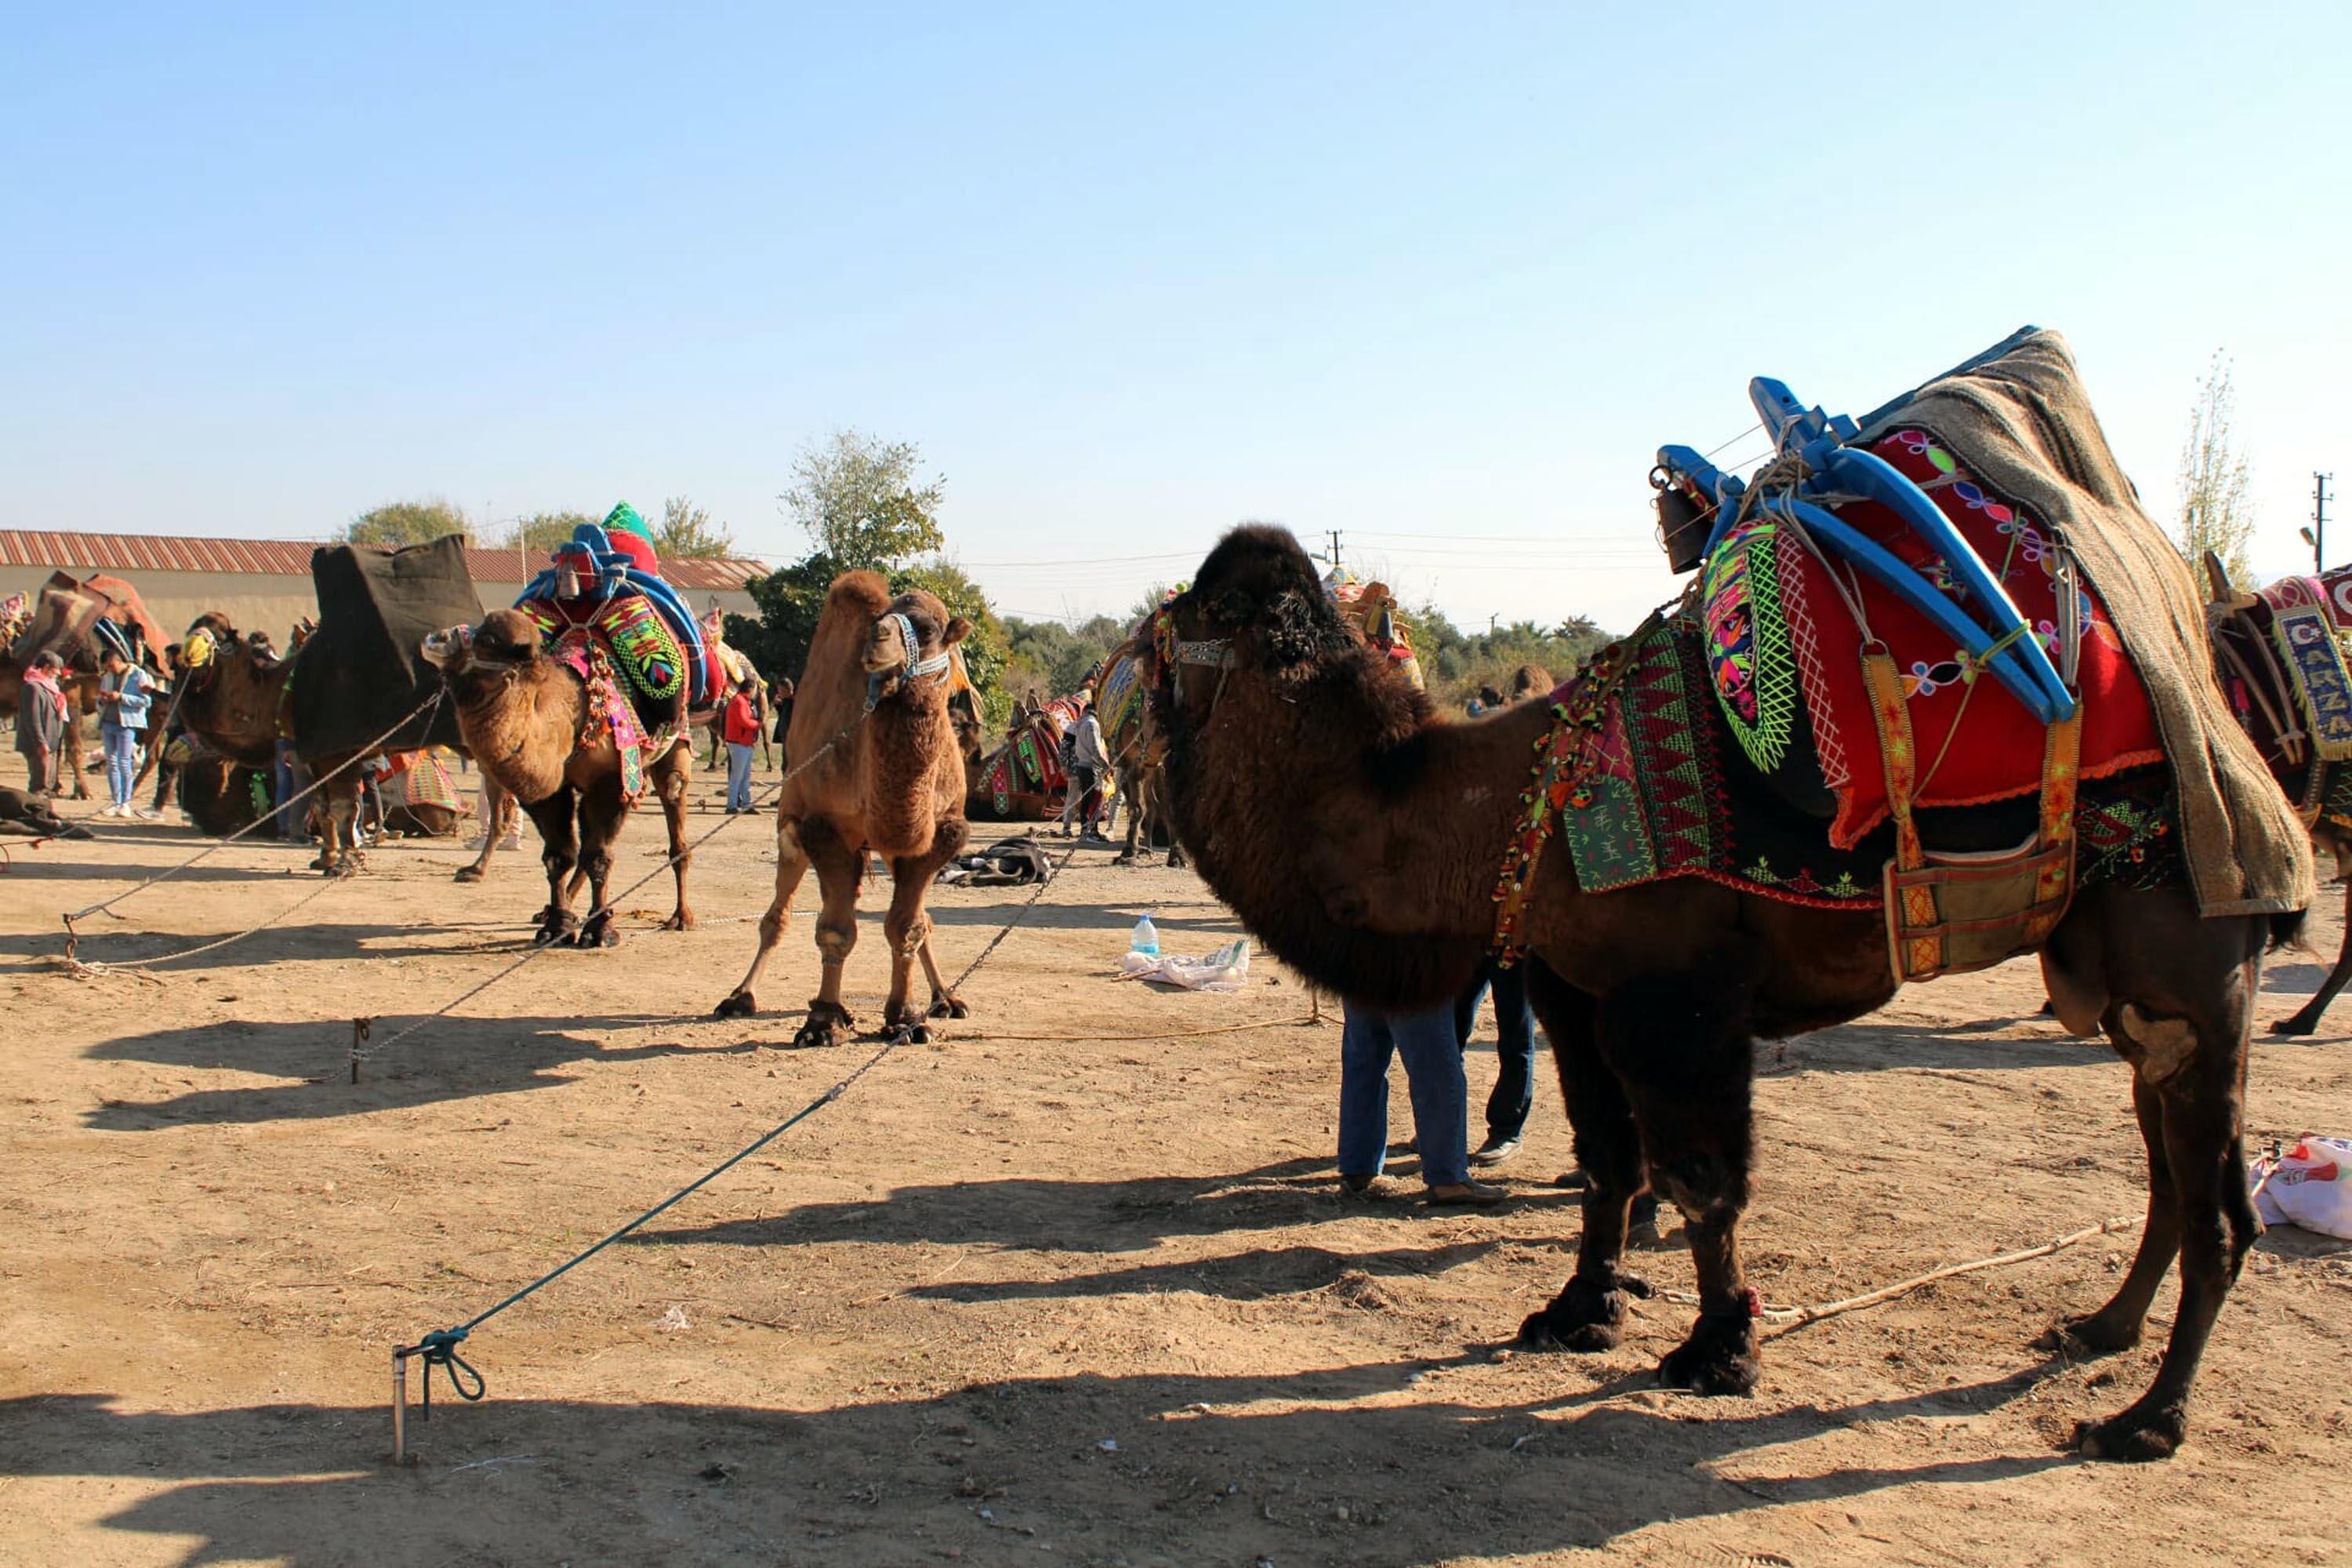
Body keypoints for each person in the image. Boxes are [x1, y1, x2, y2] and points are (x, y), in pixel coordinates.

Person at [1338, 997, 1504, 1205]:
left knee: (1365, 1058)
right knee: (1435, 1066)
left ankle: (1359, 1168)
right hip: (1412, 976)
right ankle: (1447, 1178)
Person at [1454, 958, 1539, 1166]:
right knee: (1449, 1037)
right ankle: (1445, 1128)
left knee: (1515, 1041)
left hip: (1513, 947)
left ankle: (1506, 1132)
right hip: (1472, 940)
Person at [95, 632, 158, 818]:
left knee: (124, 762)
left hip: (126, 724)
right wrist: (103, 701)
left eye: (111, 665)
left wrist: (121, 697)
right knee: (112, 763)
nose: (110, 670)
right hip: (108, 722)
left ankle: (125, 803)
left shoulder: (139, 676)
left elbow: (146, 701)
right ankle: (115, 801)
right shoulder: (107, 676)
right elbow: (100, 697)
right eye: (107, 667)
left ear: (118, 660)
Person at [14, 651, 69, 796]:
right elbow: (32, 719)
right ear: (46, 668)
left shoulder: (50, 688)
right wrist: (41, 743)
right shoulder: (32, 688)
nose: (57, 674)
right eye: (55, 670)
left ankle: (43, 814)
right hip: (37, 745)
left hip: (50, 743)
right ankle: (34, 814)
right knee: (39, 785)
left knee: (47, 785)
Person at [1059, 694, 1109, 838]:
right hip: (1079, 766)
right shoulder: (1076, 726)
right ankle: (1068, 826)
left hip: (1082, 764)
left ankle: (1086, 827)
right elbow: (1065, 748)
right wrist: (1064, 765)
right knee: (1075, 796)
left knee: (1089, 797)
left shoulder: (1082, 724)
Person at [721, 675, 761, 813]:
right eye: (755, 689)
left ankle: (746, 803)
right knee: (737, 777)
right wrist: (758, 724)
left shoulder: (744, 701)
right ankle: (731, 806)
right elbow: (744, 721)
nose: (756, 692)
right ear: (750, 689)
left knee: (745, 776)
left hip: (745, 742)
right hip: (739, 743)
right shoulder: (739, 701)